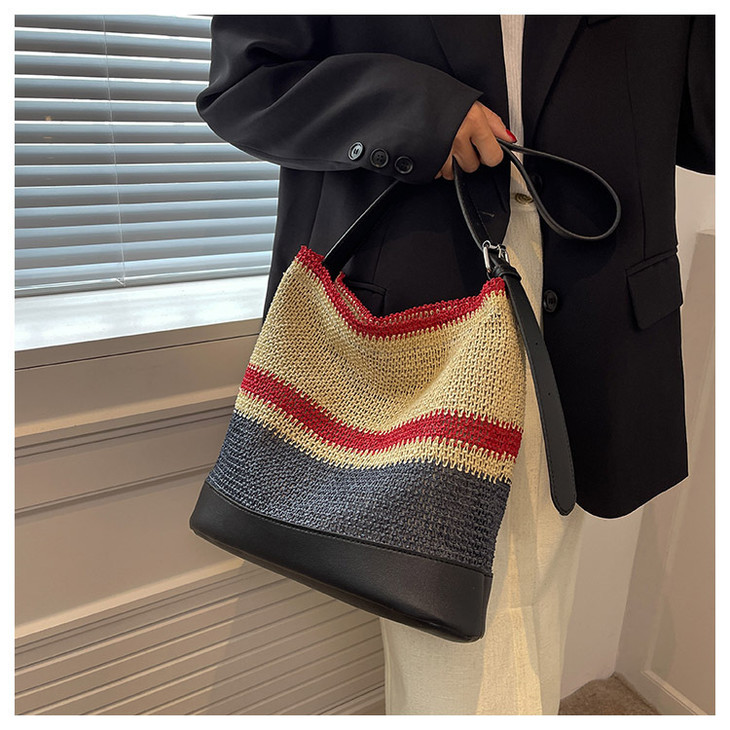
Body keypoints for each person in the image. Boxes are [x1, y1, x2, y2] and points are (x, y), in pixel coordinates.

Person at [196, 15, 715, 714]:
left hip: (595, 300)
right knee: (457, 617)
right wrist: (415, 112)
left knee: (528, 596)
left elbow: (702, 120)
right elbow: (246, 85)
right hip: (414, 309)